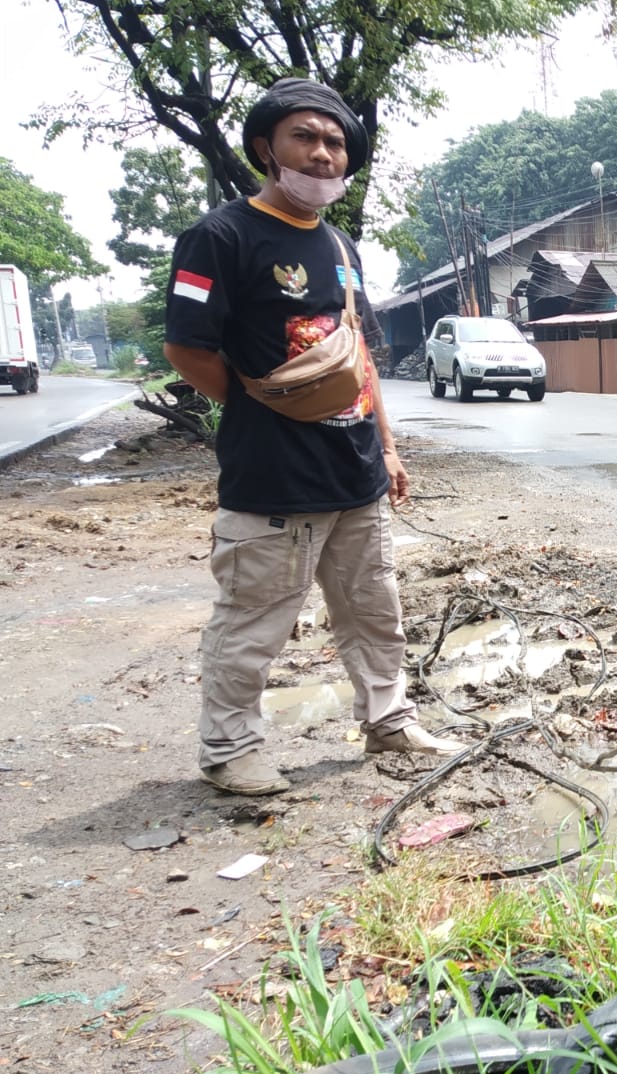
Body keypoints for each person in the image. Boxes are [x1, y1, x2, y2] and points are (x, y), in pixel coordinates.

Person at [164, 78, 464, 798]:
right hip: (272, 475)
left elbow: (357, 355)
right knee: (255, 620)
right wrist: (260, 406)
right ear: (268, 147)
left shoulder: (339, 244)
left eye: (336, 142)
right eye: (307, 136)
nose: (324, 153)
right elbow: (187, 349)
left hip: (354, 469)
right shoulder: (221, 236)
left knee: (374, 609)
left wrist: (388, 446)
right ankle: (231, 748)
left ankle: (388, 722)